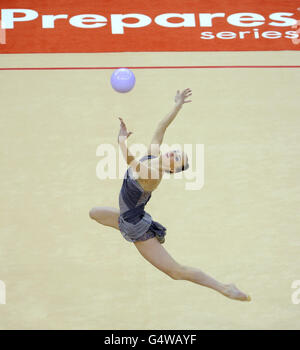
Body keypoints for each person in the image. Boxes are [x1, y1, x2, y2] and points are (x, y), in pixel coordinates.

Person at [89, 89, 251, 302]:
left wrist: (121, 141)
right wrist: (177, 105)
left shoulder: (152, 175)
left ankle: (225, 288)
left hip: (136, 227)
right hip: (129, 216)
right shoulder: (153, 154)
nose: (173, 154)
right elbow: (161, 127)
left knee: (175, 271)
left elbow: (130, 162)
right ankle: (125, 220)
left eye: (176, 159)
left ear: (172, 170)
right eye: (176, 152)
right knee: (94, 213)